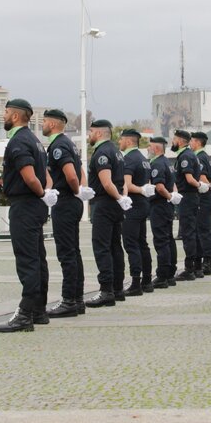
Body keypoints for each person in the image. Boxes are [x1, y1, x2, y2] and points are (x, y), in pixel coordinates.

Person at [0, 98, 52, 333]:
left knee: (27, 259)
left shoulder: (18, 141)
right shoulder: (35, 140)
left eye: (6, 112)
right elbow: (45, 174)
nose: (4, 115)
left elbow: (29, 177)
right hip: (35, 205)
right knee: (38, 257)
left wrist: (39, 192)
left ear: (16, 116)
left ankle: (26, 313)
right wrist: (44, 194)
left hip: (25, 204)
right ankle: (38, 310)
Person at [42, 108, 90, 318]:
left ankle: (69, 300)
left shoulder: (58, 146)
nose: (42, 125)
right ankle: (77, 299)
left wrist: (76, 190)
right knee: (74, 250)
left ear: (52, 124)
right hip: (73, 201)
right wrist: (81, 191)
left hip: (66, 201)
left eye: (44, 121)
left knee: (66, 253)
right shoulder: (69, 142)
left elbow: (71, 175)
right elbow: (80, 172)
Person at [84, 119, 131, 307]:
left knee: (102, 247)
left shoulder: (102, 152)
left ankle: (106, 290)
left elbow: (106, 182)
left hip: (104, 203)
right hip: (115, 203)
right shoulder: (117, 152)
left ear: (99, 133)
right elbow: (123, 182)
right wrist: (122, 197)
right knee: (115, 247)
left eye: (91, 131)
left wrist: (119, 197)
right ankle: (118, 288)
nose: (89, 135)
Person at [119, 128, 154, 295]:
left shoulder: (129, 159)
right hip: (143, 204)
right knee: (142, 243)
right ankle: (147, 281)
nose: (119, 142)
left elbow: (127, 185)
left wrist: (136, 191)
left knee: (131, 244)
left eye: (121, 139)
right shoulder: (143, 159)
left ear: (128, 141)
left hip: (132, 206)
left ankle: (135, 283)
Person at [148, 136, 182, 288]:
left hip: (160, 205)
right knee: (169, 239)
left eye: (150, 147)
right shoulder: (168, 163)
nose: (148, 149)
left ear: (156, 148)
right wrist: (173, 196)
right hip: (167, 206)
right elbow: (173, 183)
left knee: (161, 240)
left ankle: (162, 276)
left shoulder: (156, 164)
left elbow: (159, 186)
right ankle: (170, 273)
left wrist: (169, 197)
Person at [172, 129, 203, 280]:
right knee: (193, 231)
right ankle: (197, 266)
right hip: (192, 197)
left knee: (188, 233)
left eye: (174, 139)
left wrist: (198, 185)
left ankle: (189, 269)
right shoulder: (191, 155)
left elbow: (189, 179)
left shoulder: (185, 156)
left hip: (188, 196)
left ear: (180, 141)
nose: (173, 141)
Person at [191, 131, 211, 275]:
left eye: (192, 141)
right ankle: (210, 262)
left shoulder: (199, 158)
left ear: (197, 142)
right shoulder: (207, 157)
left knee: (203, 230)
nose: (190, 143)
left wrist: (205, 188)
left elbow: (203, 178)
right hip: (208, 196)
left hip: (202, 196)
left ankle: (207, 263)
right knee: (208, 229)